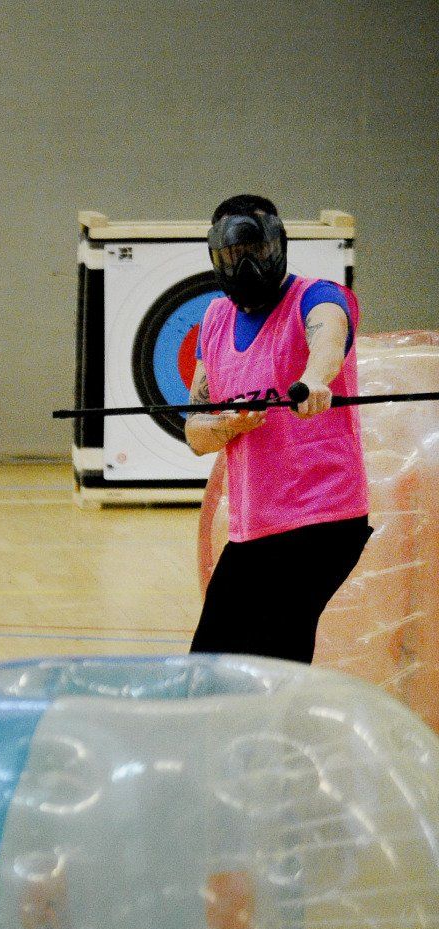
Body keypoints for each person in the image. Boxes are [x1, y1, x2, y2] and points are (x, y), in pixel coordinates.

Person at [187, 194, 368, 664]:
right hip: (255, 527)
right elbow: (196, 435)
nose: (245, 265)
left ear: (279, 247)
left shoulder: (318, 295)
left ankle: (278, 737)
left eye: (256, 252)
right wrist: (226, 425)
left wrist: (314, 379)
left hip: (322, 518)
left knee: (274, 659)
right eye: (232, 255)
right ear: (215, 258)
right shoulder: (214, 320)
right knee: (211, 663)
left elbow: (328, 334)